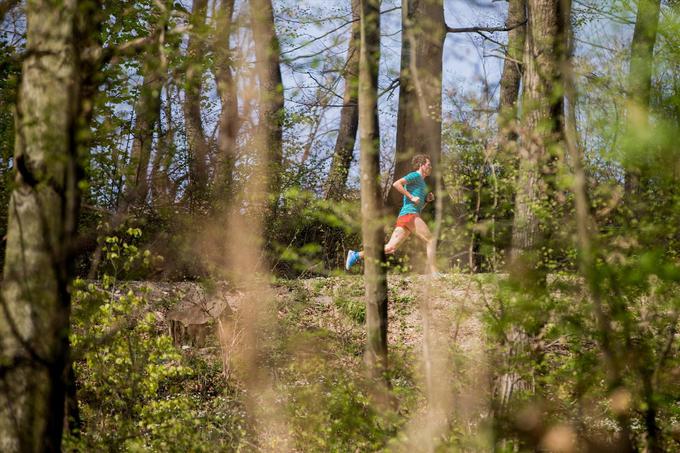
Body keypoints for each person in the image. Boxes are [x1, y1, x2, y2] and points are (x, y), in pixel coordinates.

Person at [346, 154, 438, 274]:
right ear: (421, 165)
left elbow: (418, 206)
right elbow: (397, 184)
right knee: (431, 239)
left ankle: (356, 255)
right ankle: (435, 272)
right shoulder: (415, 175)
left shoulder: (422, 184)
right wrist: (411, 196)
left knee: (390, 248)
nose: (430, 167)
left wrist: (426, 200)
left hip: (408, 215)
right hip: (410, 214)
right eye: (428, 165)